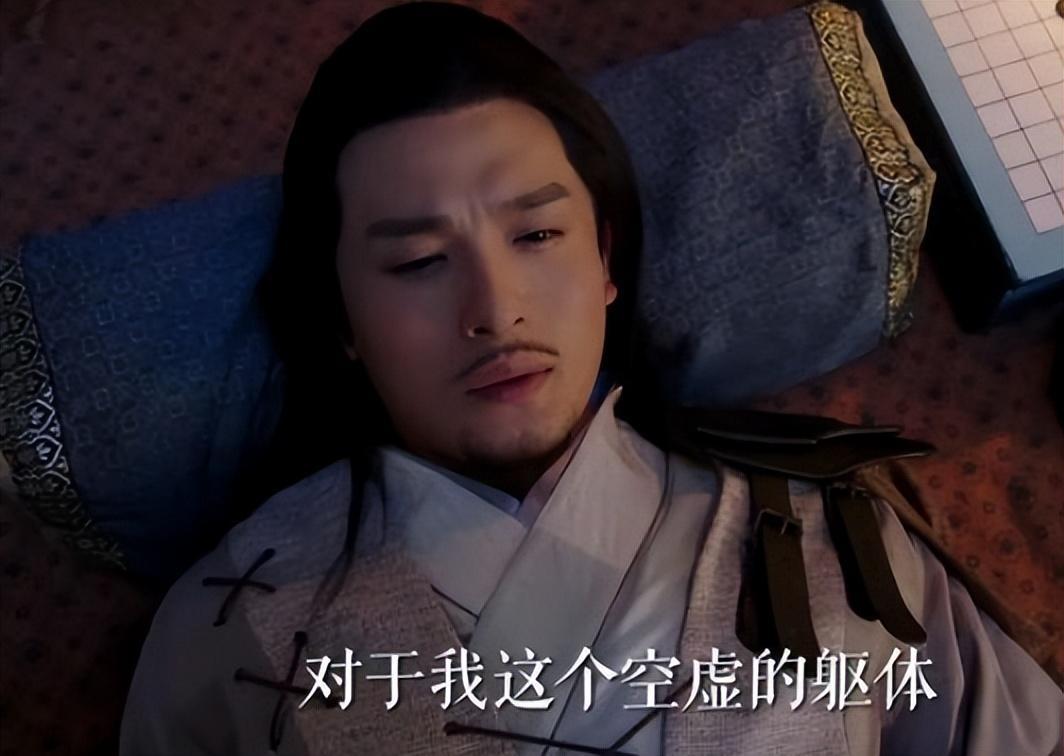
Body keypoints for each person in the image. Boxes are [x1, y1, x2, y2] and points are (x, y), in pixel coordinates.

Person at [119, 3, 1063, 755]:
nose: (497, 310)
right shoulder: (230, 619)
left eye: (537, 235)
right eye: (417, 262)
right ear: (341, 322)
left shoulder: (836, 535)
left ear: (606, 259)